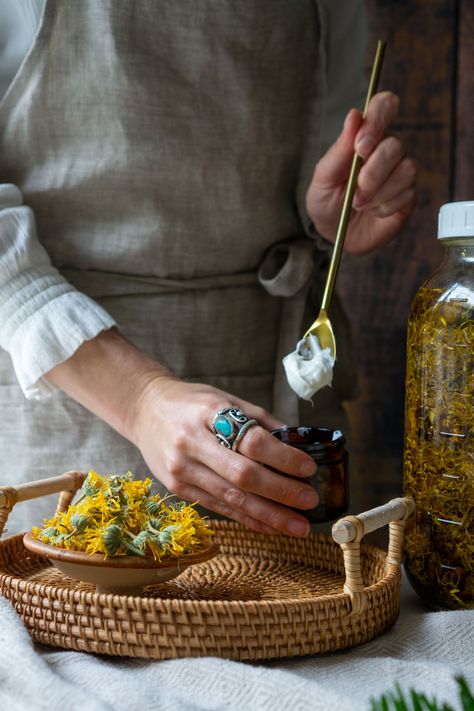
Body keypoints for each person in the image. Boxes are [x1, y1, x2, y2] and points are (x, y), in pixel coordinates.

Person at [0, 0, 417, 536]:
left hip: (278, 383)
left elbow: (308, 140)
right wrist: (141, 397)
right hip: (75, 404)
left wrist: (328, 213)